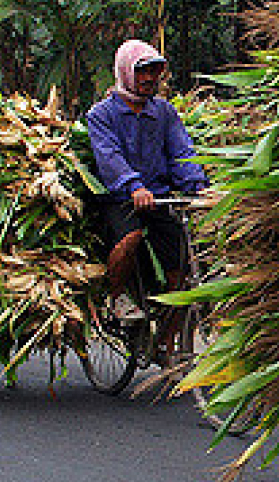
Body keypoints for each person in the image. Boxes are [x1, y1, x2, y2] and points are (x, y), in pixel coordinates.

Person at [85, 40, 208, 323]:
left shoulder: (163, 112)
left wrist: (198, 186)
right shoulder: (101, 115)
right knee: (131, 238)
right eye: (142, 72)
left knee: (182, 267)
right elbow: (109, 157)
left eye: (154, 72)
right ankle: (115, 297)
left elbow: (182, 152)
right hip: (121, 199)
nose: (149, 79)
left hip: (159, 197)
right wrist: (133, 186)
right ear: (126, 72)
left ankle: (168, 337)